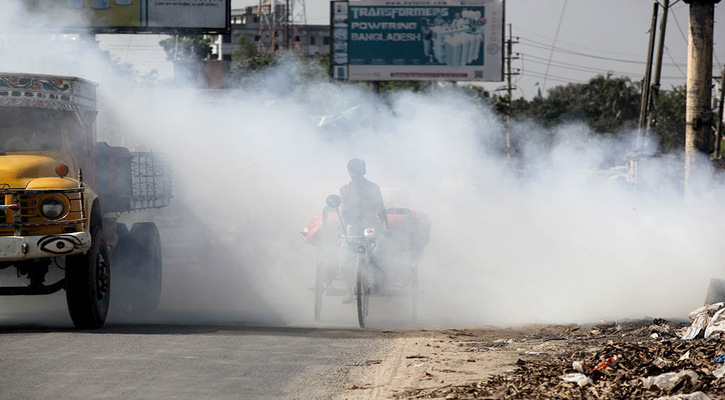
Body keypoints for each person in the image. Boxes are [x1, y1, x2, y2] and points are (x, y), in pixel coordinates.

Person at [337, 158, 388, 303]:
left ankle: (376, 283)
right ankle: (349, 292)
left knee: (378, 254)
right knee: (345, 261)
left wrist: (384, 229)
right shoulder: (344, 188)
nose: (356, 178)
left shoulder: (373, 188)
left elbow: (380, 209)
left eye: (359, 174)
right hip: (352, 229)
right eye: (353, 175)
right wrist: (343, 228)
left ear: (364, 172)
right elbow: (343, 209)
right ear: (349, 173)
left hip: (371, 227)